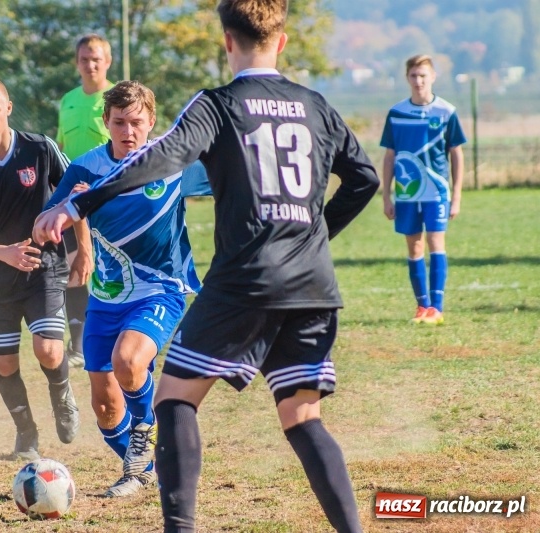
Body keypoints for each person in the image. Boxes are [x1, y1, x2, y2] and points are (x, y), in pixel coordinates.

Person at [33, 0, 380, 530]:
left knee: (174, 400)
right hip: (311, 283)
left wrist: (78, 203)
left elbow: (161, 157)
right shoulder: (316, 105)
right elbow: (365, 180)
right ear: (282, 42)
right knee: (302, 418)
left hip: (246, 278)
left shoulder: (218, 104)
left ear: (226, 42)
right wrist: (316, 236)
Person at [44, 80, 210, 498]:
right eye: (119, 122)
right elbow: (42, 224)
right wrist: (66, 212)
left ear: (151, 121)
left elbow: (236, 181)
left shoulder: (175, 165)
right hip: (107, 297)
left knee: (129, 360)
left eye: (137, 122)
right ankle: (141, 468)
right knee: (104, 405)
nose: (128, 131)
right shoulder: (85, 170)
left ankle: (147, 428)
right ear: (107, 122)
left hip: (161, 290)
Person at [0, 77, 90, 461]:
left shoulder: (40, 149)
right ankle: (26, 433)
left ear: (8, 108)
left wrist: (85, 251)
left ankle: (62, 396)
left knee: (47, 349)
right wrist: (4, 253)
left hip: (45, 269)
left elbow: (79, 195)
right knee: (5, 360)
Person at [381, 54, 466, 326]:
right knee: (414, 246)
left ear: (433, 77)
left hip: (437, 191)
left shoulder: (446, 112)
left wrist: (457, 196)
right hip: (407, 193)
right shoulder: (397, 113)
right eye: (414, 76)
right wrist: (387, 194)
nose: (419, 81)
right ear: (407, 78)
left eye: (423, 75)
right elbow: (389, 155)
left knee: (435, 243)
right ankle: (422, 307)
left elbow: (457, 154)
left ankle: (437, 308)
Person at [56, 34, 116, 368]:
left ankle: (114, 336)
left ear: (107, 62)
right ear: (76, 63)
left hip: (108, 196)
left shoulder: (118, 98)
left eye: (96, 58)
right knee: (75, 263)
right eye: (84, 59)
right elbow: (62, 148)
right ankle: (77, 346)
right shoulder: (68, 100)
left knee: (110, 265)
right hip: (73, 200)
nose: (90, 64)